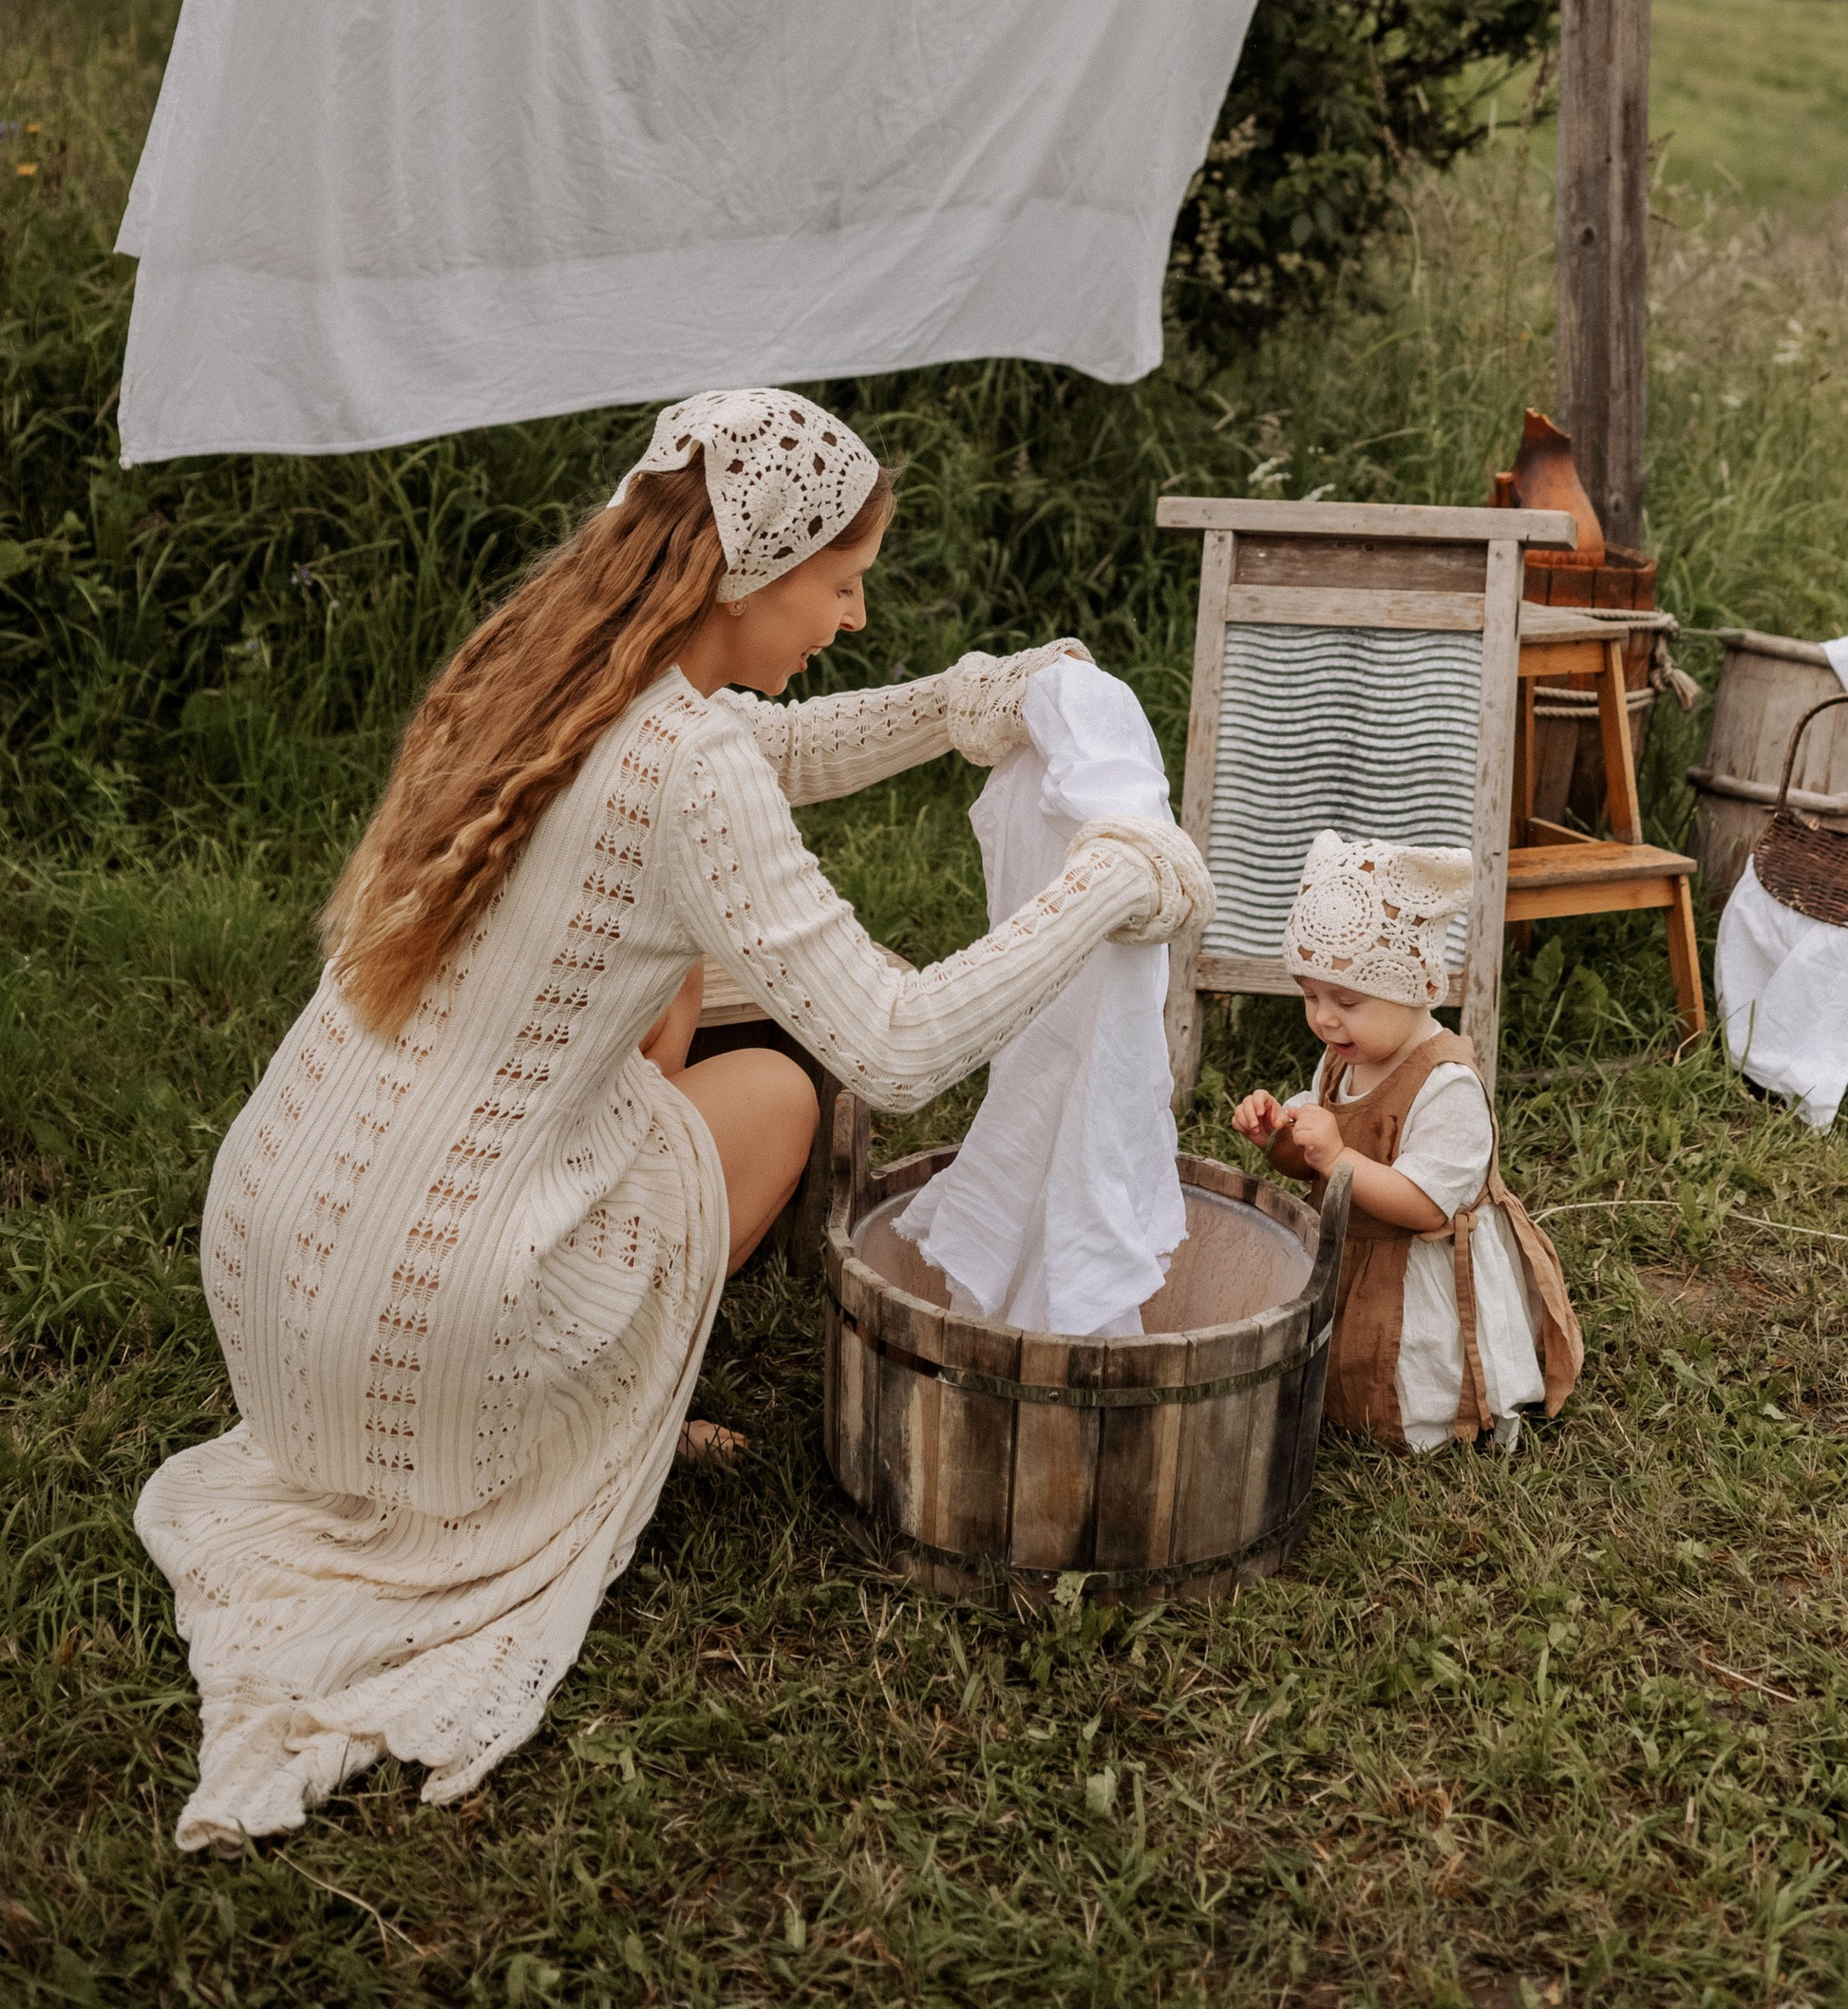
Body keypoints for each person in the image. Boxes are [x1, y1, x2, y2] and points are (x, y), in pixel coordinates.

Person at [136, 390, 1211, 1849]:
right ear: (743, 581)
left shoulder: (542, 663)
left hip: (274, 1266)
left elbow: (774, 752)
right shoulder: (686, 768)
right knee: (776, 1084)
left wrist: (959, 704)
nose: (852, 613)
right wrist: (1110, 880)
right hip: (429, 1322)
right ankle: (578, 1416)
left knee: (660, 1052)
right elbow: (894, 1048)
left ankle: (581, 1391)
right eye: (839, 582)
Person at [1231, 832, 1581, 1451]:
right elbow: (1303, 1168)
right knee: (1341, 1360)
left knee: (1410, 1384)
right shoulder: (1342, 1061)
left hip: (1423, 1272)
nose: (1323, 1018)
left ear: (1416, 988)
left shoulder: (1446, 1084)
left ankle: (1428, 1419)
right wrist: (1278, 1140)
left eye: (1347, 1000)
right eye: (1310, 996)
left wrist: (1339, 1156)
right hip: (1354, 1256)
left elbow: (1425, 1207)